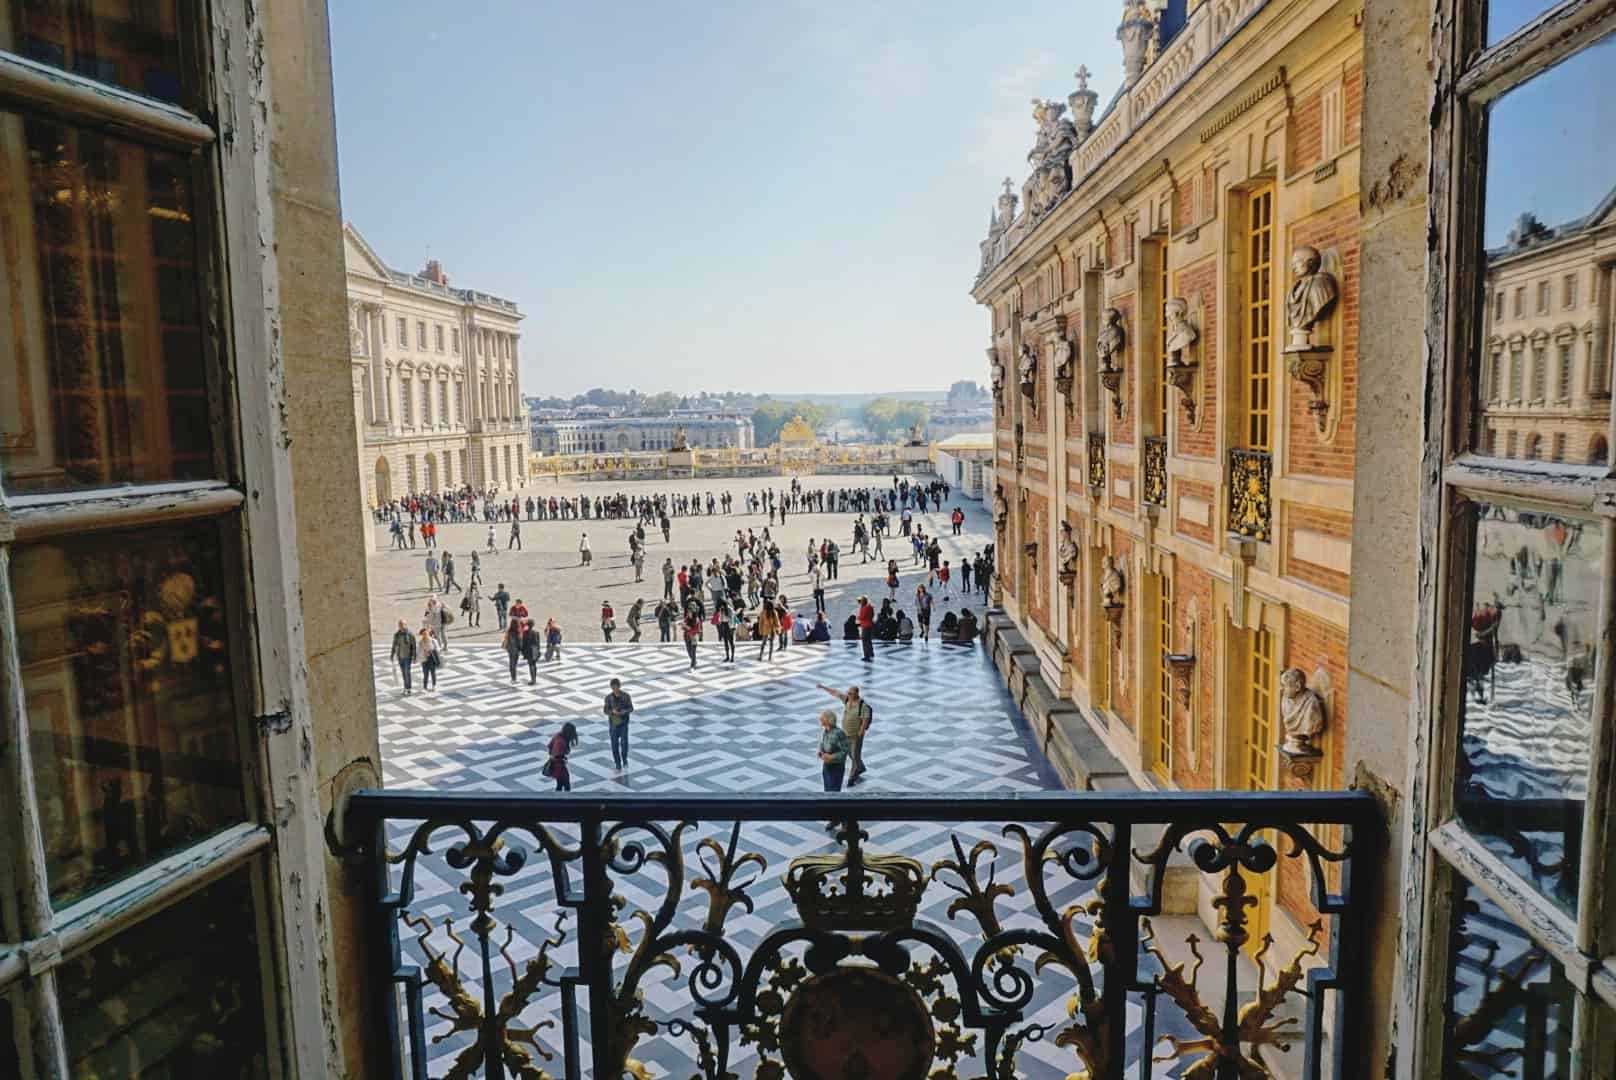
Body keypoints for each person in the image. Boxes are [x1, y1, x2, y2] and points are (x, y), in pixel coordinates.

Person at [817, 682, 871, 787]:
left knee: (854, 756)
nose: (849, 695)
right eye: (848, 693)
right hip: (845, 734)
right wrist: (823, 687)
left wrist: (861, 730)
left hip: (855, 736)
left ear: (856, 694)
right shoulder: (847, 700)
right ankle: (860, 767)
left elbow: (866, 719)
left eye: (851, 693)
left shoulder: (862, 706)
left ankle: (852, 778)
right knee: (850, 754)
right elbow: (835, 693)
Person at [817, 709, 850, 796]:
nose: (820, 719)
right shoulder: (826, 731)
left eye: (822, 718)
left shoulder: (839, 733)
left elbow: (845, 750)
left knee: (834, 793)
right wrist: (821, 752)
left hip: (836, 767)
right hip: (827, 766)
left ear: (828, 720)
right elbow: (823, 743)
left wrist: (832, 757)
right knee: (827, 791)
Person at [603, 678, 633, 771]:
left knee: (624, 744)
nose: (615, 689)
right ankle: (617, 763)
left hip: (624, 723)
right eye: (613, 687)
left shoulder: (626, 696)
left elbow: (631, 708)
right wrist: (612, 711)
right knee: (614, 745)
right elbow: (605, 710)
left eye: (616, 687)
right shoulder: (608, 698)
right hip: (613, 724)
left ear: (619, 686)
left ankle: (624, 758)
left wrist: (623, 712)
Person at [546, 722, 579, 793]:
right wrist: (563, 758)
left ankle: (558, 800)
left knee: (560, 784)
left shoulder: (557, 736)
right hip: (559, 766)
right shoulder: (561, 742)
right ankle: (566, 800)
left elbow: (550, 747)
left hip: (555, 764)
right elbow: (559, 754)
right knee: (566, 785)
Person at [390, 619, 416, 695]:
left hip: (408, 657)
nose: (401, 626)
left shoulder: (410, 634)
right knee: (403, 673)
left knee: (407, 672)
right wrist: (392, 654)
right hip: (400, 656)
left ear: (405, 625)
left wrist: (414, 657)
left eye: (403, 624)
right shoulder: (397, 635)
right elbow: (394, 645)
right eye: (400, 625)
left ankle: (409, 688)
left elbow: (414, 646)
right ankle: (405, 687)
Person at [417, 625, 440, 690]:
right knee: (425, 674)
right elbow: (419, 652)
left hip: (432, 659)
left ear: (427, 633)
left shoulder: (433, 641)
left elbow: (438, 649)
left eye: (425, 633)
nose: (424, 635)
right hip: (424, 660)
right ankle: (425, 687)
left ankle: (434, 685)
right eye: (423, 634)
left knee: (433, 673)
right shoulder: (420, 643)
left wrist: (432, 651)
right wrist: (424, 653)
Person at [857, 595, 876, 662]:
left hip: (865, 626)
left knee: (865, 641)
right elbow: (872, 614)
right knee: (869, 640)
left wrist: (858, 617)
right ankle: (871, 653)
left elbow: (862, 617)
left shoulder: (864, 608)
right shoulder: (870, 607)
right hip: (870, 625)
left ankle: (866, 656)